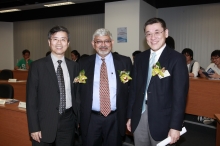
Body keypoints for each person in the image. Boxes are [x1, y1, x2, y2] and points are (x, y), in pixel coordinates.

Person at [126, 18, 189, 146]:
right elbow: (134, 90)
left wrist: (175, 126)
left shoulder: (177, 59)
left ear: (166, 33)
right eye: (148, 33)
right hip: (140, 114)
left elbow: (180, 96)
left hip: (164, 118)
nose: (152, 37)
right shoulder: (139, 58)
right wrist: (130, 115)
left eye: (157, 32)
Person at [26, 26, 80, 146]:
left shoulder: (74, 66)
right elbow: (31, 100)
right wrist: (34, 127)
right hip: (44, 123)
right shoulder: (37, 66)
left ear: (68, 43)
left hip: (68, 122)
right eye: (55, 39)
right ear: (49, 42)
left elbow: (77, 95)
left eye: (63, 39)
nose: (59, 43)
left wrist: (78, 120)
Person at [78, 28, 132, 146]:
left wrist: (129, 116)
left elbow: (130, 91)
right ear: (93, 44)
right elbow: (78, 92)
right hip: (91, 118)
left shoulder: (125, 62)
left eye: (106, 41)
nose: (103, 45)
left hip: (115, 118)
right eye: (99, 41)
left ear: (112, 43)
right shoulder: (83, 63)